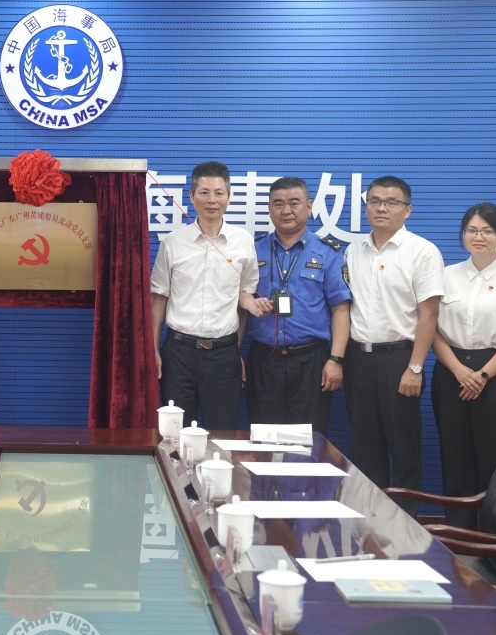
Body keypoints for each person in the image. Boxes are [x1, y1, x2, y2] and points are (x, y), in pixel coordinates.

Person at [431, 203, 496, 529]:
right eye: (472, 230)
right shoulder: (446, 275)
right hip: (451, 371)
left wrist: (482, 374)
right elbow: (431, 329)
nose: (478, 237)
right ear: (463, 234)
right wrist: (458, 370)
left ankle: (494, 538)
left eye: (487, 231)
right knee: (455, 457)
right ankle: (458, 535)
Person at [344, 176, 444, 517]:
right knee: (365, 449)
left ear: (407, 210)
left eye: (391, 202)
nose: (381, 208)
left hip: (400, 359)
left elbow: (429, 314)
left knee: (404, 450)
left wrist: (415, 367)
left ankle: (405, 528)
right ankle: (370, 525)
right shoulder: (353, 251)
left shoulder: (422, 251)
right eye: (374, 201)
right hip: (358, 359)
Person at [150, 161, 260, 430]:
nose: (212, 200)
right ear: (191, 196)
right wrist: (152, 350)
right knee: (175, 434)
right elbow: (159, 299)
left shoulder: (243, 241)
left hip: (223, 355)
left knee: (222, 434)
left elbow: (243, 296)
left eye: (219, 193)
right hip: (179, 353)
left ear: (229, 197)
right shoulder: (172, 243)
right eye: (204, 192)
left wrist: (234, 349)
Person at [245, 177, 351, 436]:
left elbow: (340, 309)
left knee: (310, 440)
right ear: (269, 208)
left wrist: (336, 359)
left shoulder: (328, 252)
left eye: (294, 203)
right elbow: (239, 303)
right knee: (264, 438)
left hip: (312, 361)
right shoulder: (252, 250)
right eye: (278, 204)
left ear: (309, 206)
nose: (286, 211)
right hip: (264, 360)